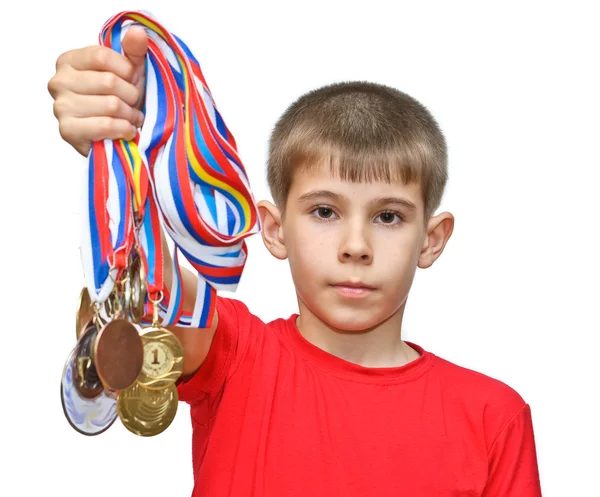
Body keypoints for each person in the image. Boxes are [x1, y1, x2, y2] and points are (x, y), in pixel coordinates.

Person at [48, 26, 542, 497]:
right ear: (275, 229)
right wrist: (119, 136)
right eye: (325, 211)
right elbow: (146, 287)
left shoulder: (493, 417)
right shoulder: (237, 354)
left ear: (431, 240)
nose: (356, 245)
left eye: (388, 217)